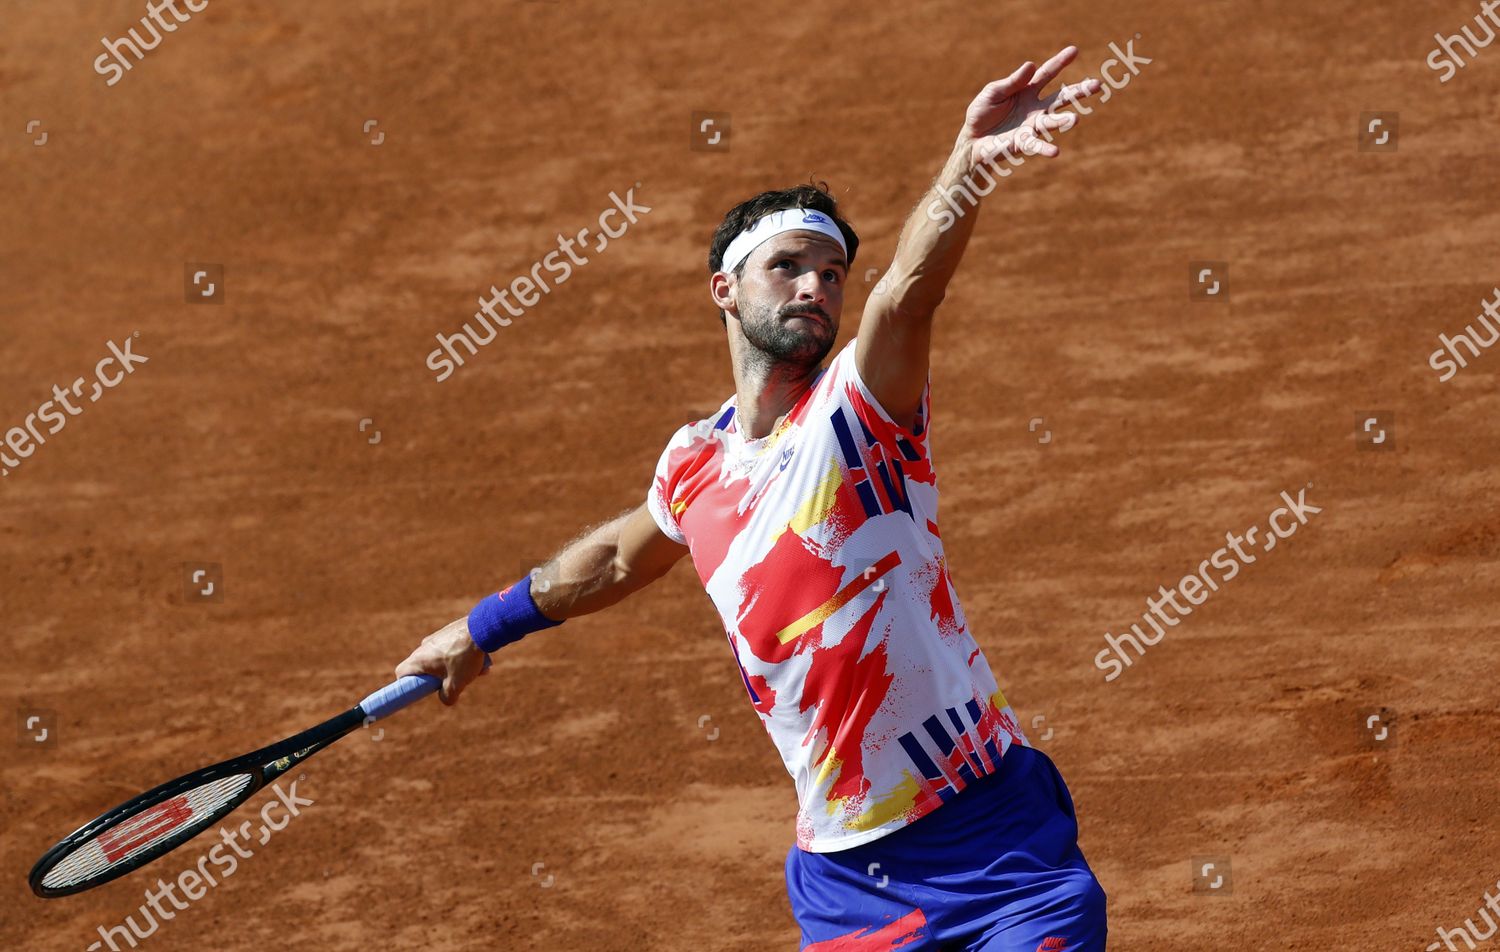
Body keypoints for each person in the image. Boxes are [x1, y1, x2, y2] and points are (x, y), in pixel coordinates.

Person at [395, 45, 1108, 951]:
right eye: (789, 266)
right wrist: (479, 630)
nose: (818, 284)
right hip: (850, 881)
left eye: (832, 272)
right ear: (724, 290)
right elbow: (617, 557)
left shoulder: (859, 408)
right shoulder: (694, 462)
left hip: (995, 843)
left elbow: (908, 295)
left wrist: (966, 168)